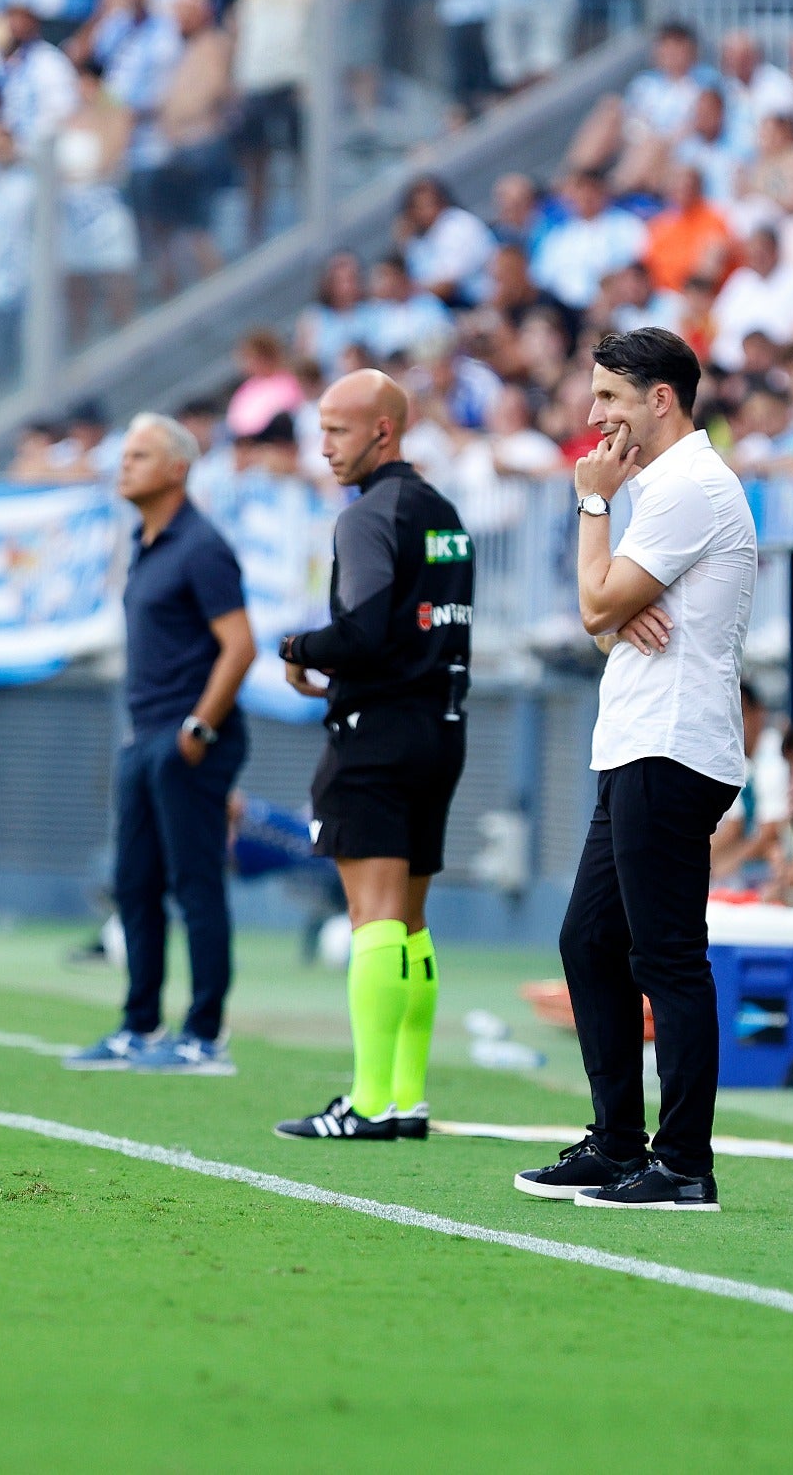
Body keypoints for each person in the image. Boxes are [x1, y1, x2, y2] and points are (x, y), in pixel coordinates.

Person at [515, 327, 755, 1212]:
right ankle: (618, 1144)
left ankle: (683, 1162)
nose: (594, 415)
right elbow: (610, 610)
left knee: (669, 959)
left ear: (662, 399)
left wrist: (591, 507)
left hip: (673, 743)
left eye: (611, 396)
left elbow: (593, 605)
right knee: (588, 940)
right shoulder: (665, 487)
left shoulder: (690, 485)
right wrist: (616, 608)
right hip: (639, 740)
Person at [273, 370, 475, 1141]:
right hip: (442, 730)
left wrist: (296, 645)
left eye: (336, 431)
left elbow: (360, 633)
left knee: (373, 917)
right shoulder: (444, 512)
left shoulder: (368, 517)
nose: (323, 447)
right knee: (412, 922)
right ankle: (406, 1097)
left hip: (376, 737)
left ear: (382, 432)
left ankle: (366, 1101)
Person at [65, 413, 254, 1074]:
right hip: (142, 737)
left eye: (140, 454)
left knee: (195, 885)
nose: (124, 464)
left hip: (187, 740)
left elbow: (240, 645)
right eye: (124, 454)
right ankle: (138, 1025)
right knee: (134, 883)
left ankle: (205, 1034)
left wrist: (198, 730)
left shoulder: (201, 546)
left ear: (178, 468)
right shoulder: (147, 543)